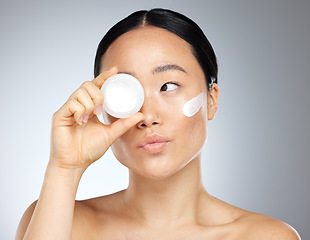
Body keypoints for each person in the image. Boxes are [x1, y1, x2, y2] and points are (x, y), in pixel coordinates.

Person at [15, 8, 300, 240]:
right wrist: (65, 168)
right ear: (101, 107)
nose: (148, 116)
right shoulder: (57, 222)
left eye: (168, 85)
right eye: (125, 92)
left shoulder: (265, 235)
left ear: (211, 99)